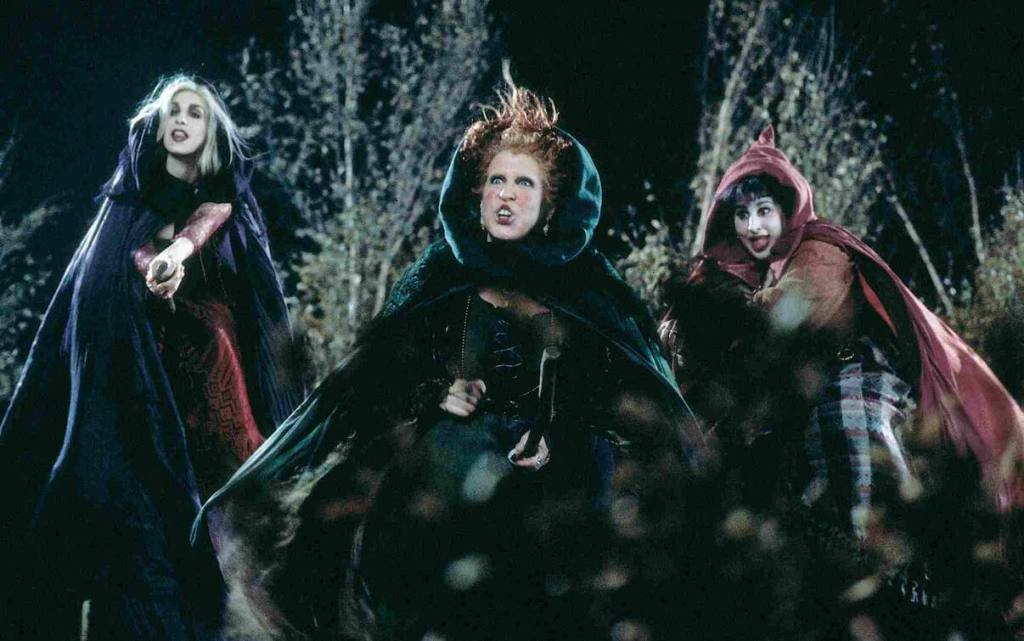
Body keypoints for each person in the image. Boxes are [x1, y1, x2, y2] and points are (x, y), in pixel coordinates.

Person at [196, 75, 706, 641]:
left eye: (524, 183)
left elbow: (618, 386)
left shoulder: (589, 287)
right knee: (380, 526)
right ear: (478, 197)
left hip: (564, 459)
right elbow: (379, 375)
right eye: (496, 181)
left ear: (550, 205)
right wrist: (437, 390)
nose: (506, 195)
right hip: (454, 452)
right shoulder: (440, 276)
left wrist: (554, 426)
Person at [661, 126, 1024, 636]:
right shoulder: (744, 268)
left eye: (764, 210)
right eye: (742, 214)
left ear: (789, 210)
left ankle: (898, 562)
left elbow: (784, 314)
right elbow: (691, 335)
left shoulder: (820, 250)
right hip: (798, 384)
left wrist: (716, 316)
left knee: (849, 421)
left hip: (862, 370)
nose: (753, 226)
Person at [0, 75, 302, 640]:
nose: (181, 119)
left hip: (212, 395)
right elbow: (118, 276)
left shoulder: (227, 201)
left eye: (195, 112)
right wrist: (155, 265)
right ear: (158, 126)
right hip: (142, 391)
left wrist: (179, 254)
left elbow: (215, 233)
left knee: (234, 538)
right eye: (173, 112)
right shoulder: (128, 205)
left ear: (211, 130)